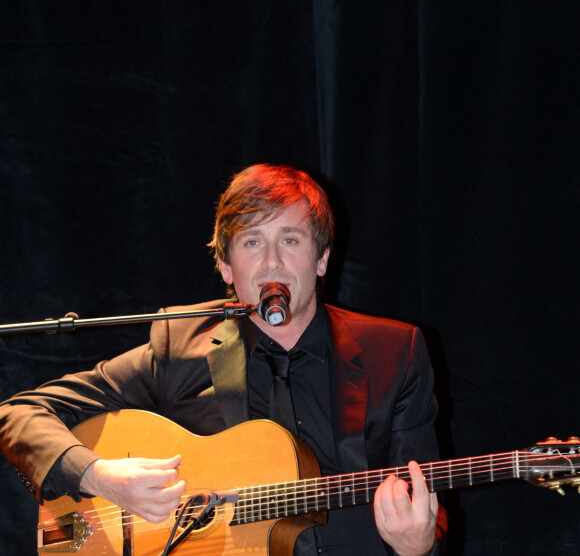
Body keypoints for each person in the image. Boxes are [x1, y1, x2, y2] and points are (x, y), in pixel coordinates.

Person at [0, 164, 446, 555]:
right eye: (252, 243)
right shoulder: (181, 346)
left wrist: (418, 544)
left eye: (290, 239)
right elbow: (20, 413)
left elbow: (428, 503)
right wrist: (100, 477)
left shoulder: (396, 352)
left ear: (322, 258)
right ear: (227, 267)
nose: (272, 262)